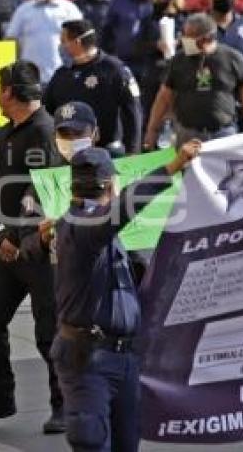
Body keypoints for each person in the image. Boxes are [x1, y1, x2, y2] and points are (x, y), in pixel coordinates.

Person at [51, 141, 201, 452]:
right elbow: (124, 208)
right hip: (89, 358)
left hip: (122, 357)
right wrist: (171, 167)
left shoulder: (82, 223)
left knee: (126, 443)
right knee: (92, 442)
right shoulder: (87, 224)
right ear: (110, 185)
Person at [0, 61, 64, 434]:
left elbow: (38, 194)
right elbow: (2, 190)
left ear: (11, 92)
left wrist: (15, 238)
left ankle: (63, 403)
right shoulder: (7, 133)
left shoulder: (45, 132)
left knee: (48, 330)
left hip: (40, 246)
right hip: (7, 244)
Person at [144, 13, 243, 148]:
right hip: (188, 135)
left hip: (223, 134)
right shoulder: (178, 61)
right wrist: (152, 130)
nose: (184, 40)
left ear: (204, 39)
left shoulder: (232, 58)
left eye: (189, 36)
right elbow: (164, 96)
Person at [44, 19, 142, 156]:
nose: (61, 46)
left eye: (63, 41)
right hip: (68, 153)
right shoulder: (61, 74)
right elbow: (46, 110)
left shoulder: (113, 70)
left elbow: (132, 111)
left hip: (107, 152)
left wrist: (133, 150)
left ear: (77, 42)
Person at [7, 0, 83, 84]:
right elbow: (11, 39)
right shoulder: (23, 10)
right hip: (29, 78)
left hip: (61, 76)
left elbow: (80, 42)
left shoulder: (69, 10)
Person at [132, 0, 186, 124]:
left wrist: (180, 43)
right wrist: (156, 45)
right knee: (152, 119)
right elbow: (136, 46)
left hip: (180, 77)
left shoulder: (184, 20)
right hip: (153, 77)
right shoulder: (149, 20)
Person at [100, 0, 155, 81]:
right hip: (122, 65)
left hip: (150, 67)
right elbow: (106, 34)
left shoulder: (158, 2)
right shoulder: (119, 2)